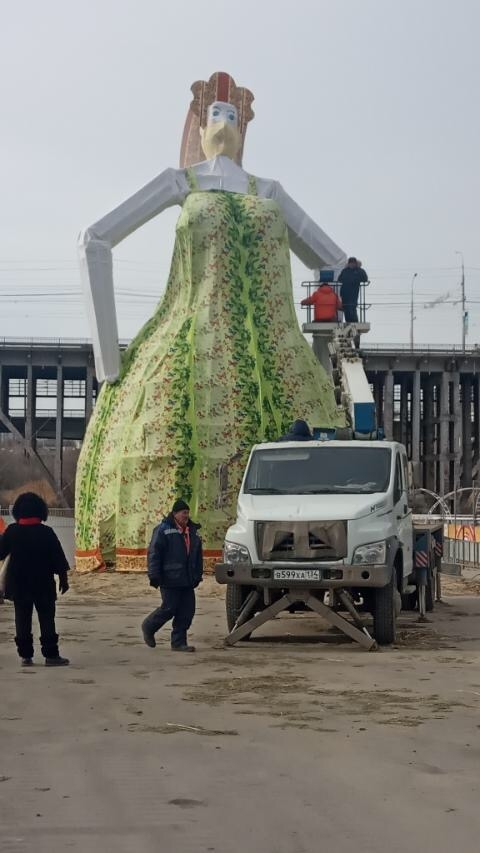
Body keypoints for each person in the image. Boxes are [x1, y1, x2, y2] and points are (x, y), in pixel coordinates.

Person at [75, 72, 347, 571]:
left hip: (277, 348)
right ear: (198, 125)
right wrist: (108, 360)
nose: (223, 124)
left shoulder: (270, 192)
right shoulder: (183, 182)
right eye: (214, 114)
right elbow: (94, 238)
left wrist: (321, 349)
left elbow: (337, 263)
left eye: (233, 116)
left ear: (245, 127)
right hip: (183, 340)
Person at [0, 492, 70, 667]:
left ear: (18, 512)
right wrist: (63, 579)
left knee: (22, 619)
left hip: (19, 585)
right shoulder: (46, 532)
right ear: (41, 511)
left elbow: (0, 552)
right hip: (43, 584)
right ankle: (51, 656)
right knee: (47, 619)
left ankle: (25, 656)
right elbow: (58, 558)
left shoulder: (12, 531)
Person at [141, 499, 203, 652]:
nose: (186, 516)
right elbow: (154, 553)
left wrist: (197, 575)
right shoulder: (163, 530)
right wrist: (154, 575)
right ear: (175, 514)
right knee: (169, 608)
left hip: (187, 579)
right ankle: (149, 626)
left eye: (188, 513)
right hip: (169, 578)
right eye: (184, 513)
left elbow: (197, 555)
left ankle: (178, 643)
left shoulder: (193, 531)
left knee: (187, 611)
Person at [338, 257, 368, 323]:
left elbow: (365, 278)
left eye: (353, 263)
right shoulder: (345, 270)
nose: (351, 264)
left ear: (355, 264)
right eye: (350, 263)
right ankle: (348, 321)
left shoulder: (359, 270)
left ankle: (354, 321)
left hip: (353, 292)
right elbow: (339, 279)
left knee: (352, 306)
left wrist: (359, 269)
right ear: (348, 264)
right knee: (345, 307)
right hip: (344, 292)